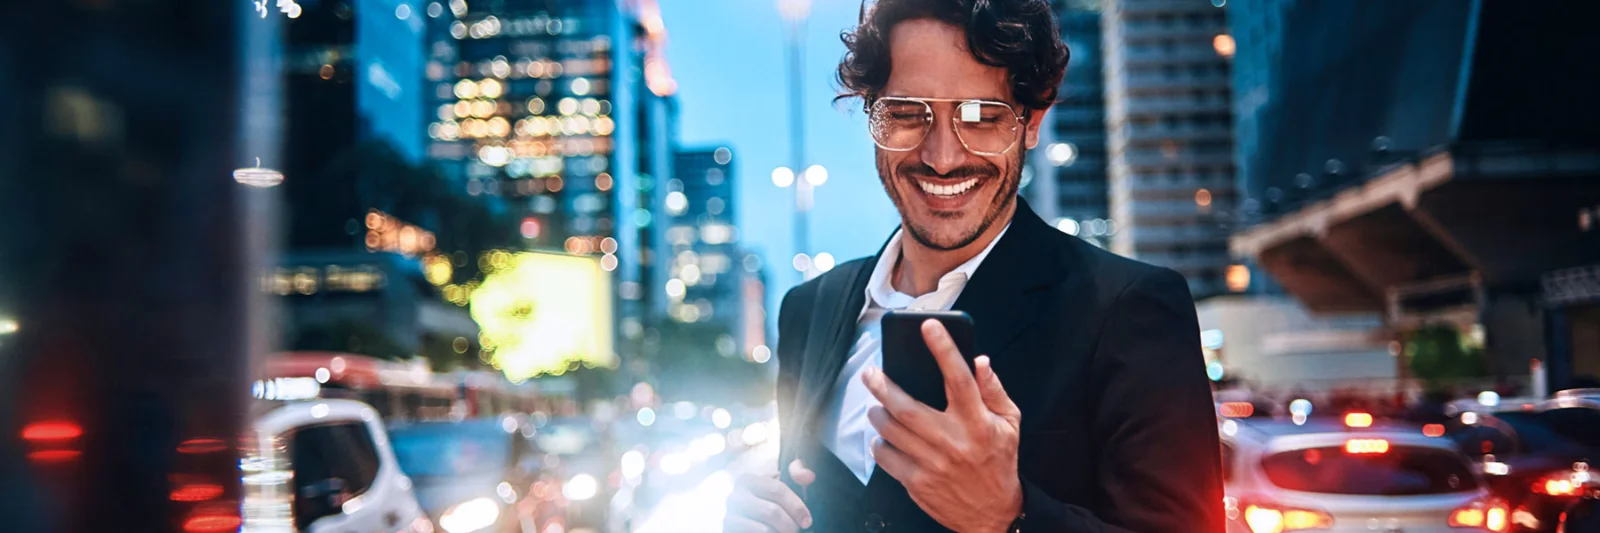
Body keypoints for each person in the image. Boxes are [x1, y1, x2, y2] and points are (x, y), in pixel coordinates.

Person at [723, 1, 1225, 531]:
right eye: (907, 113)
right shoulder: (809, 308)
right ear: (871, 112)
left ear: (1032, 122)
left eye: (983, 117)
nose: (942, 157)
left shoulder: (1131, 311)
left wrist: (1010, 515)